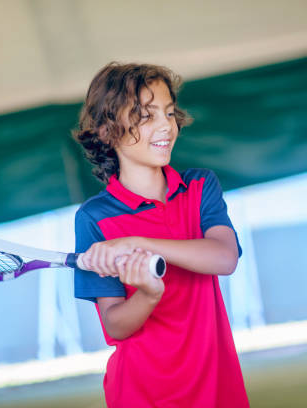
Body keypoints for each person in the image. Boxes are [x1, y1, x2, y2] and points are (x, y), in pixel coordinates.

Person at [73, 62, 249, 407]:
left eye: (168, 113)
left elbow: (224, 258)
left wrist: (137, 243)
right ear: (108, 132)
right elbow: (116, 326)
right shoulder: (94, 218)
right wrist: (148, 294)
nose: (165, 125)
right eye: (146, 115)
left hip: (218, 386)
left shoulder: (199, 187)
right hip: (141, 393)